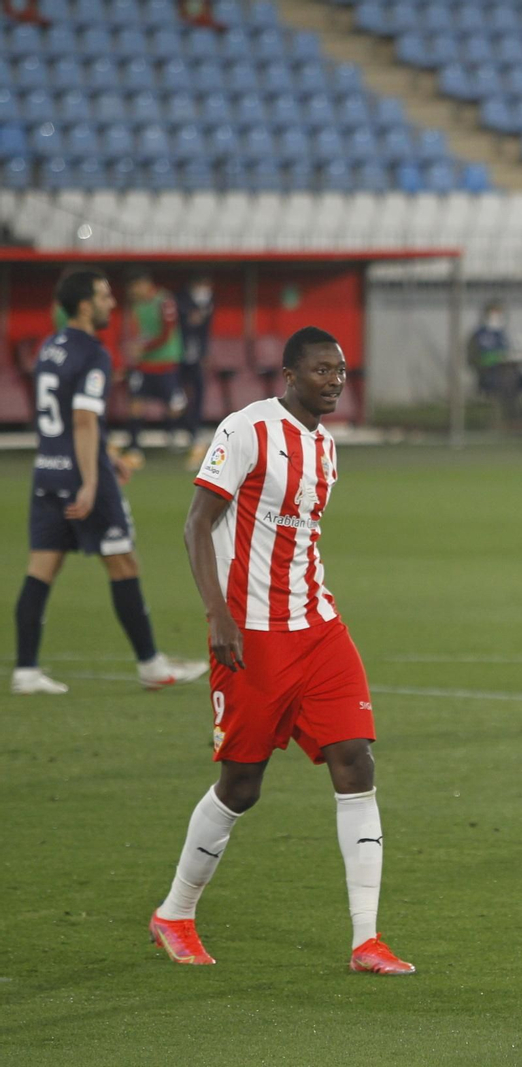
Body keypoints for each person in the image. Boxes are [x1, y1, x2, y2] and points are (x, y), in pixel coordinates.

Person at [148, 327, 413, 977]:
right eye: (322, 369)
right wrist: (218, 613)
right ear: (290, 374)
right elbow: (196, 523)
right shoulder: (245, 430)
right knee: (242, 783)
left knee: (356, 759)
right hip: (251, 633)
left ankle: (366, 939)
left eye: (342, 371)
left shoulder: (326, 447)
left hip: (318, 626)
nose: (335, 380)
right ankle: (175, 913)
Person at [12, 269, 206, 696]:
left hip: (47, 470)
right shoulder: (93, 353)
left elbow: (64, 420)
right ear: (84, 304)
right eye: (103, 296)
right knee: (123, 563)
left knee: (41, 568)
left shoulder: (50, 348)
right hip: (83, 478)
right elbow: (82, 419)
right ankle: (151, 664)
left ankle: (26, 670)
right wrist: (90, 479)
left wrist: (109, 455)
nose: (111, 303)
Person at [124, 267, 185, 463]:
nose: (133, 292)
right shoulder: (136, 305)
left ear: (144, 284)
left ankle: (172, 437)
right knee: (135, 402)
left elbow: (167, 332)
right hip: (144, 364)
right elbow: (137, 332)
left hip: (166, 360)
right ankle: (134, 446)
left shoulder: (164, 301)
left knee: (173, 404)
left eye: (135, 288)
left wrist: (145, 347)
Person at [175, 274, 215, 464]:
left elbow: (205, 331)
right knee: (178, 396)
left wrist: (205, 352)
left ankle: (194, 429)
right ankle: (177, 430)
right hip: (178, 357)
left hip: (196, 357)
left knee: (198, 392)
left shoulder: (208, 303)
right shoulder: (180, 302)